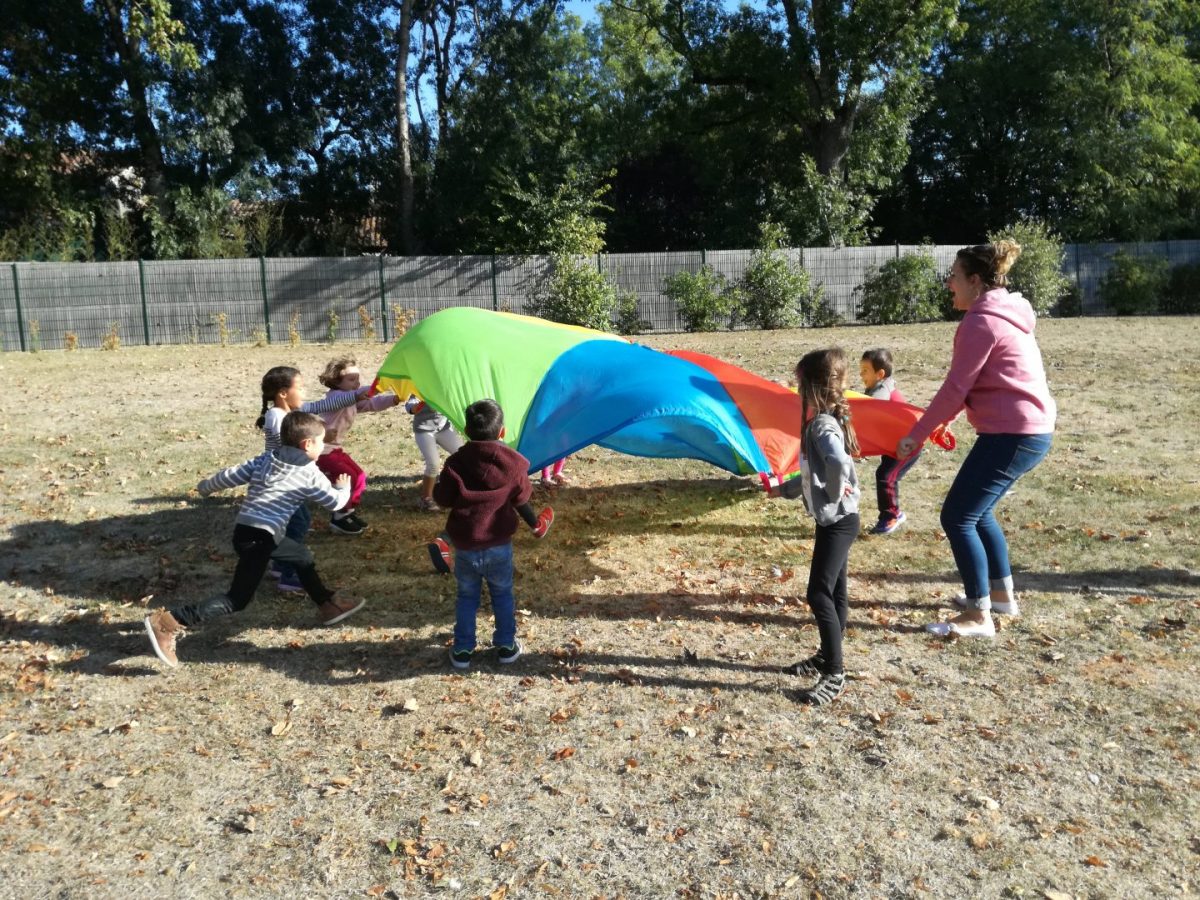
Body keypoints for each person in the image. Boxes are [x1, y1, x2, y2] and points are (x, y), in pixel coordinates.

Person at [897, 241, 1056, 638]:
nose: (948, 282)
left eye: (954, 275)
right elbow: (976, 384)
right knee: (978, 513)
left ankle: (977, 615)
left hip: (1015, 435)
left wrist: (917, 435)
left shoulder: (981, 322)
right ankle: (1001, 598)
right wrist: (941, 422)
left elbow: (955, 387)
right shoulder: (1001, 314)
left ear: (975, 280)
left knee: (958, 516)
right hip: (1026, 431)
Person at [143, 412, 366, 668]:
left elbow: (231, 474)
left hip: (247, 532)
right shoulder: (308, 474)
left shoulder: (267, 459)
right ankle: (169, 622)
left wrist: (206, 486)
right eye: (320, 442)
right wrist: (343, 487)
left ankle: (327, 605)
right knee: (237, 600)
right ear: (307, 445)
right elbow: (335, 502)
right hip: (262, 539)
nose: (323, 447)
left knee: (301, 556)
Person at [430, 399, 553, 670]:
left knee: (466, 597)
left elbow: (443, 499)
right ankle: (506, 646)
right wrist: (535, 524)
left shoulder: (455, 463)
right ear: (502, 432)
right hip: (498, 544)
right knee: (503, 594)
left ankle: (463, 650)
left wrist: (439, 484)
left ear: (465, 429)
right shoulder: (514, 464)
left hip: (465, 545)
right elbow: (522, 497)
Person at [773, 348, 860, 706]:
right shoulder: (826, 419)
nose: (796, 388)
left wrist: (837, 493)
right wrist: (786, 489)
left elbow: (837, 463)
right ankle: (828, 655)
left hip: (839, 521)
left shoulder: (822, 425)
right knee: (836, 592)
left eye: (799, 382)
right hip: (838, 520)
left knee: (818, 593)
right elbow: (814, 474)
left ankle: (834, 674)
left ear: (813, 387)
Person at [256, 366, 369, 592]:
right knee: (297, 525)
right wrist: (313, 439)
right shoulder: (276, 416)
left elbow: (321, 406)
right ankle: (288, 575)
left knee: (296, 522)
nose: (304, 391)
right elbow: (289, 442)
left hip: (289, 481)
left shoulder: (292, 411)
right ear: (283, 393)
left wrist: (357, 395)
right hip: (281, 483)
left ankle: (279, 565)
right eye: (300, 387)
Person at [314, 356, 401, 536]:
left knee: (359, 476)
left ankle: (348, 512)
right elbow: (358, 395)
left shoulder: (351, 398)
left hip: (335, 449)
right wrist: (377, 386)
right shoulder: (337, 397)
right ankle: (339, 517)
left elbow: (371, 404)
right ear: (336, 381)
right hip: (321, 451)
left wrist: (394, 399)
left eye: (357, 379)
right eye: (351, 379)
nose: (356, 383)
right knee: (349, 477)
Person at [860, 348, 921, 535]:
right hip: (895, 445)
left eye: (865, 371)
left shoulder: (882, 390)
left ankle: (892, 515)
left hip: (907, 445)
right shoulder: (878, 387)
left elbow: (871, 408)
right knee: (886, 476)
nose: (861, 375)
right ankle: (891, 514)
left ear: (880, 374)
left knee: (886, 477)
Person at [405, 394, 464, 512]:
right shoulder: (421, 386)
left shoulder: (444, 387)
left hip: (444, 428)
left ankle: (461, 491)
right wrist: (414, 408)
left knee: (463, 455)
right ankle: (426, 499)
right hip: (424, 430)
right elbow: (410, 404)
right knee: (433, 463)